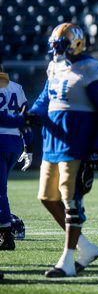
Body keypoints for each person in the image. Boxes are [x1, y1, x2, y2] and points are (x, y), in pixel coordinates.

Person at [29, 23, 98, 277]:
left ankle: (67, 262)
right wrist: (33, 114)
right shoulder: (55, 66)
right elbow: (46, 97)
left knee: (71, 202)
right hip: (52, 141)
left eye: (62, 45)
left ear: (77, 44)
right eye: (55, 46)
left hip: (77, 142)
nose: (58, 51)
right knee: (46, 197)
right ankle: (85, 247)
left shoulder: (92, 68)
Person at [0, 63, 40, 250]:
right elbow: (25, 119)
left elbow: (19, 118)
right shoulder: (16, 88)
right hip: (15, 142)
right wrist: (28, 145)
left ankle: (6, 235)